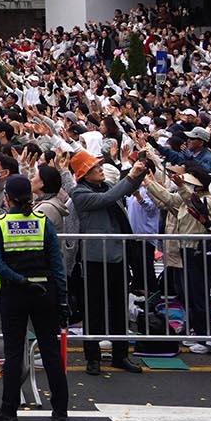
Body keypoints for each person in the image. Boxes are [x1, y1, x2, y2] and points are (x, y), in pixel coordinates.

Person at [0, 174, 70, 421]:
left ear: (7, 198)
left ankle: (9, 410)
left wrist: (19, 279)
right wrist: (62, 299)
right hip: (45, 292)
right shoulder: (44, 223)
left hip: (14, 293)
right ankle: (61, 410)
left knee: (13, 353)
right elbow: (57, 264)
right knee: (51, 352)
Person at [68, 150, 146, 376]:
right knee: (93, 311)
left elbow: (125, 190)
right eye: (94, 168)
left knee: (119, 309)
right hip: (93, 259)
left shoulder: (106, 186)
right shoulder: (80, 193)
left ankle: (121, 355)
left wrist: (139, 173)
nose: (100, 169)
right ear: (84, 174)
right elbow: (109, 198)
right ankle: (92, 358)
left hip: (117, 257)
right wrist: (131, 177)